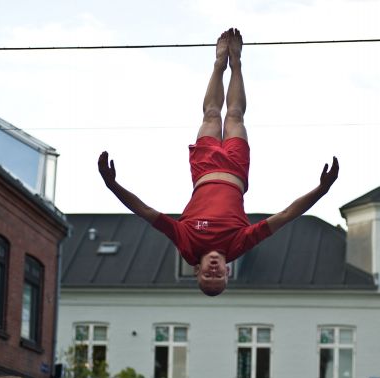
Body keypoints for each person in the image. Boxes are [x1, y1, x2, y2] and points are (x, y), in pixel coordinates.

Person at [98, 27, 339, 297]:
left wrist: (112, 185)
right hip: (235, 169)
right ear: (228, 270)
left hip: (205, 169)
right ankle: (236, 63)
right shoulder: (238, 245)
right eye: (218, 274)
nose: (213, 269)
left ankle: (218, 63)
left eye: (207, 274)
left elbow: (145, 211)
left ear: (196, 270)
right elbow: (285, 216)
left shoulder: (187, 244)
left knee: (211, 115)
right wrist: (321, 190)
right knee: (235, 115)